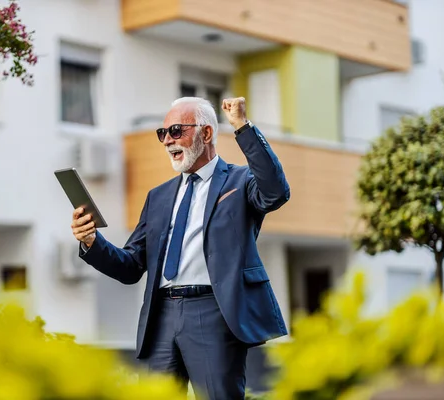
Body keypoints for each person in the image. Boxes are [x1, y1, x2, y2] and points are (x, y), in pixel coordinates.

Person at [71, 97, 290, 400]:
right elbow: (131, 266)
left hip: (213, 312)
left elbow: (276, 191)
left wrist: (242, 127)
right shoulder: (158, 196)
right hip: (160, 316)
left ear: (207, 133)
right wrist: (92, 242)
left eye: (175, 131)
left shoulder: (240, 182)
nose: (167, 141)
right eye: (162, 134)